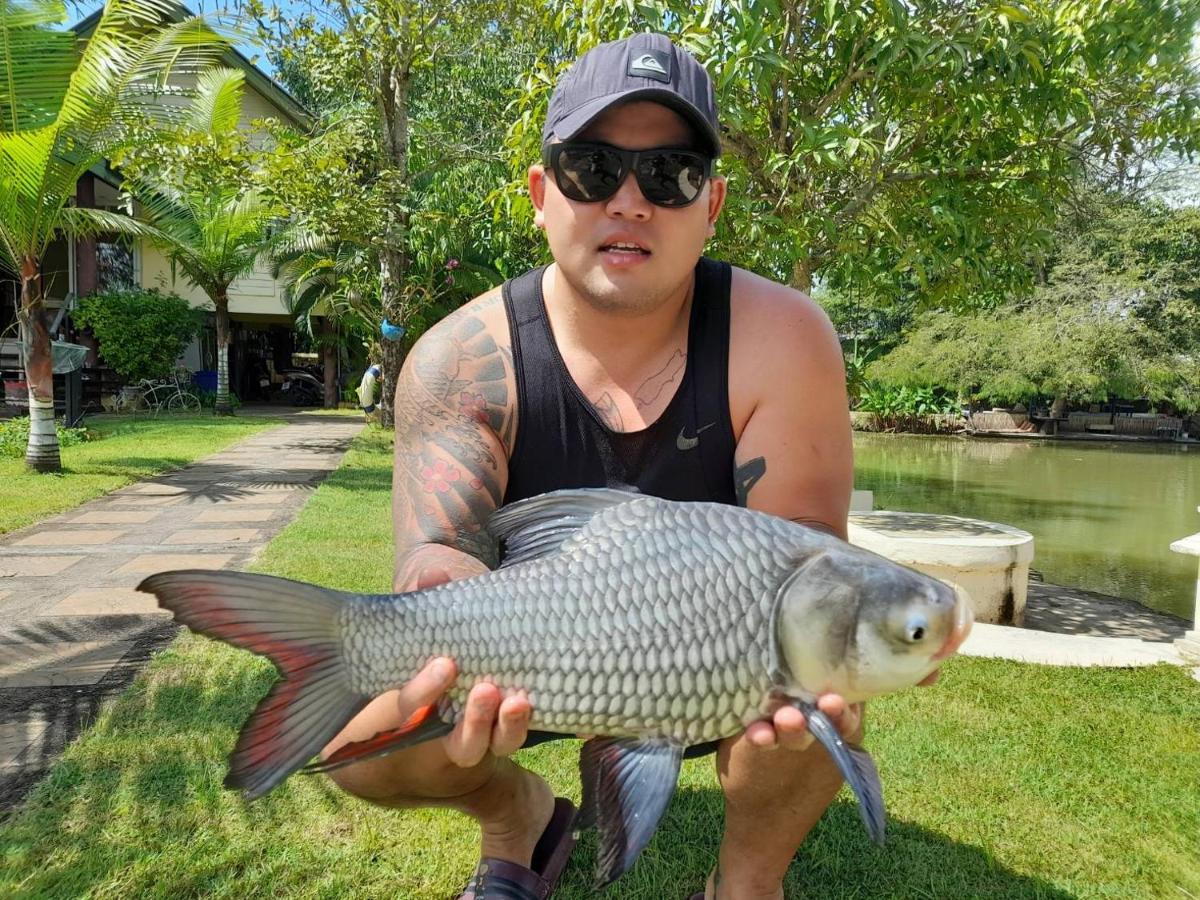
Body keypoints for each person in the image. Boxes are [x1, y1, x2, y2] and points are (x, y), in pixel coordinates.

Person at [321, 33, 939, 900]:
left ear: (712, 202)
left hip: (723, 667)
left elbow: (807, 553)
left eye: (669, 174)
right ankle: (520, 821)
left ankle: (747, 887)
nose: (629, 201)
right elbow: (439, 558)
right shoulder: (458, 356)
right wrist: (433, 635)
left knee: (826, 692)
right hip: (535, 661)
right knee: (363, 755)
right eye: (590, 167)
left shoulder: (786, 337)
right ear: (541, 195)